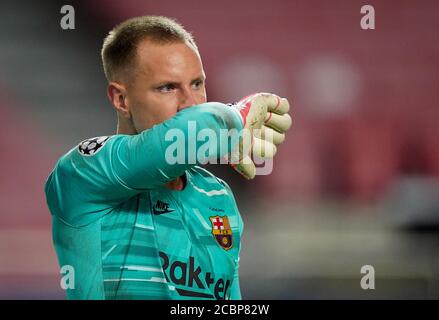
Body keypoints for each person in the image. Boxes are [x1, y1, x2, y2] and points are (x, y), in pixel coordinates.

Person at [44, 15, 292, 300]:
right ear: (121, 99)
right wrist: (236, 117)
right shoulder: (83, 174)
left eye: (197, 84)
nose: (190, 103)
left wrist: (222, 126)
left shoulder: (217, 194)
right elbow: (196, 128)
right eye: (167, 88)